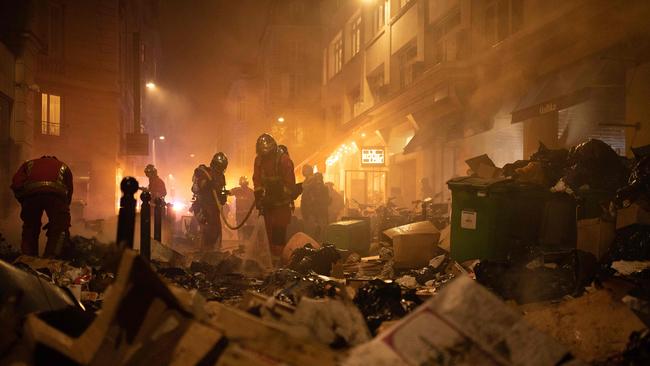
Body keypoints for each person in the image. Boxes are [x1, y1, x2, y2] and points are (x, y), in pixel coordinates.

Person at [11, 156, 73, 257]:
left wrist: (24, 201)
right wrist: (60, 217)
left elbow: (16, 184)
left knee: (30, 226)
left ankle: (28, 257)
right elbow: (69, 192)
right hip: (56, 197)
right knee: (60, 228)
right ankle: (52, 258)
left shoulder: (29, 164)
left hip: (31, 196)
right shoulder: (63, 166)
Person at [252, 133, 296, 261]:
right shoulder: (259, 160)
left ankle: (278, 263)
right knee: (266, 235)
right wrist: (259, 197)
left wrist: (277, 196)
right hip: (268, 205)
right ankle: (267, 262)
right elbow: (257, 180)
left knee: (278, 234)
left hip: (281, 205)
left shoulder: (284, 160)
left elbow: (290, 186)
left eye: (267, 155)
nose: (265, 157)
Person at [190, 152, 229, 251]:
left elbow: (220, 191)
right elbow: (195, 188)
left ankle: (213, 252)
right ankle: (203, 253)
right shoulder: (205, 173)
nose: (220, 170)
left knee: (216, 231)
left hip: (214, 209)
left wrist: (223, 196)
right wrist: (206, 183)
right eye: (219, 167)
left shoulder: (221, 177)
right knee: (206, 231)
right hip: (203, 207)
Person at [230, 176, 255, 240]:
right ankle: (241, 244)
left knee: (249, 229)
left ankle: (247, 242)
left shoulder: (250, 192)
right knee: (240, 230)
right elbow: (229, 192)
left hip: (247, 214)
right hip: (241, 214)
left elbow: (254, 203)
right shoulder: (237, 190)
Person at [308, 172, 331, 240]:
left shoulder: (325, 189)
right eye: (316, 179)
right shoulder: (311, 189)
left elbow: (326, 200)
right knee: (315, 229)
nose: (318, 181)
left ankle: (323, 240)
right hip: (314, 213)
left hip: (322, 212)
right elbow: (308, 201)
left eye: (319, 178)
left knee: (324, 228)